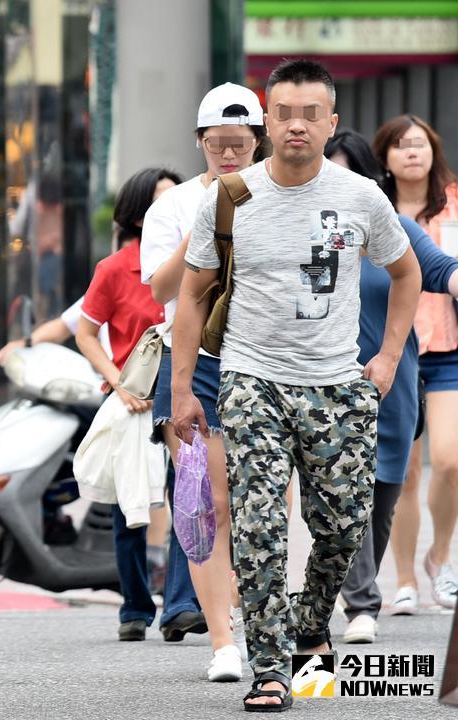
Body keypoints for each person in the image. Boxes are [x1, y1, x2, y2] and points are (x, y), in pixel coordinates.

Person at [172, 59, 420, 712]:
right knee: (256, 527)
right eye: (284, 112)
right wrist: (181, 390)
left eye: (311, 114)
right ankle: (272, 669)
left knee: (342, 526)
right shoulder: (230, 198)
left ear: (330, 122)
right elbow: (192, 298)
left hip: (338, 385)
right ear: (266, 121)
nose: (297, 125)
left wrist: (389, 356)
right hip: (252, 382)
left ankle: (312, 622)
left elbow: (406, 273)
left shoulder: (362, 197)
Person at [140, 82, 267, 682]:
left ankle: (251, 605)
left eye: (241, 145)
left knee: (263, 500)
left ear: (258, 142)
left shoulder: (279, 196)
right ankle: (222, 641)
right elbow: (162, 291)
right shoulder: (171, 206)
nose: (230, 157)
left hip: (268, 355)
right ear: (200, 143)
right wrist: (208, 216)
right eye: (219, 145)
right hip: (193, 359)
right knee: (206, 499)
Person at [324, 129, 458, 644]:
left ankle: (353, 586)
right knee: (341, 485)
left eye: (349, 175)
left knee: (382, 492)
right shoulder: (308, 231)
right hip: (325, 380)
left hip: (392, 380)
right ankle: (362, 602)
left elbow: (440, 269)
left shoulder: (397, 228)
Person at [74, 166, 188, 643]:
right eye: (160, 202)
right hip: (135, 400)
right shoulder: (115, 268)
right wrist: (115, 382)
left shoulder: (200, 257)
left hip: (187, 391)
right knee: (129, 507)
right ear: (138, 214)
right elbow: (84, 332)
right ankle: (135, 606)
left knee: (191, 493)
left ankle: (182, 604)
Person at [373, 115, 458, 612]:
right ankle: (403, 579)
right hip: (394, 351)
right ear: (384, 156)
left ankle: (439, 559)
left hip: (447, 348)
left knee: (449, 460)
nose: (412, 153)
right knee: (401, 471)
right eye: (401, 145)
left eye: (420, 144)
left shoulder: (454, 204)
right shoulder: (373, 211)